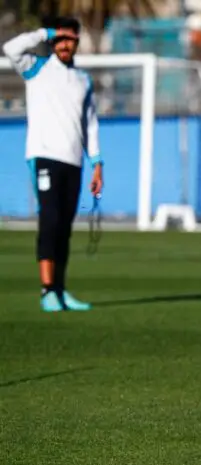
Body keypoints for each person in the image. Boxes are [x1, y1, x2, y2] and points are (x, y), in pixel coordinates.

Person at [2, 17, 103, 312]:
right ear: (53, 40)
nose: (64, 44)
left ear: (77, 42)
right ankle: (47, 290)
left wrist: (97, 162)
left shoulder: (83, 80)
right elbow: (10, 48)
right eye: (60, 39)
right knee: (50, 219)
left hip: (74, 160)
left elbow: (91, 124)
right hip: (44, 155)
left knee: (65, 227)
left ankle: (60, 289)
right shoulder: (37, 67)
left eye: (70, 39)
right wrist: (44, 32)